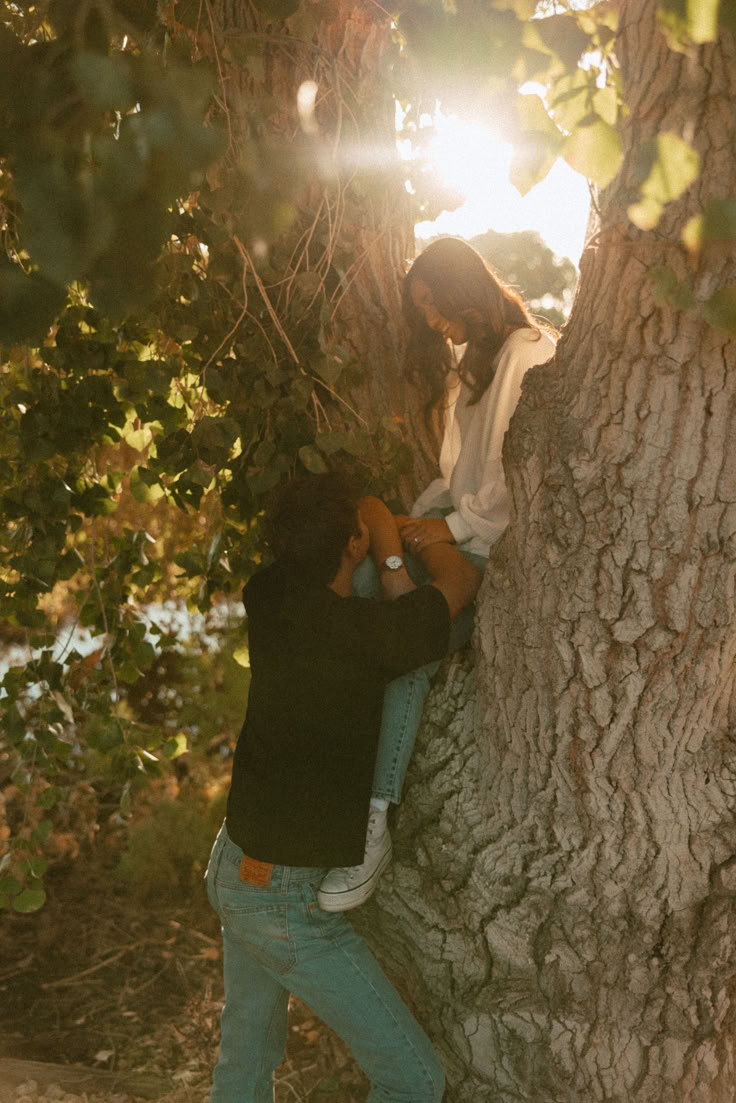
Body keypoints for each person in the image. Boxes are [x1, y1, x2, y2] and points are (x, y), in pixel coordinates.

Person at [205, 472, 481, 1103]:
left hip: (234, 868)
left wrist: (371, 534)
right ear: (351, 546)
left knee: (245, 1059)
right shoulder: (370, 639)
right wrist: (391, 545)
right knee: (413, 1081)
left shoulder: (267, 592)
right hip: (283, 902)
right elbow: (459, 583)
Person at [317, 237, 557, 912]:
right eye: (418, 308)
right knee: (362, 593)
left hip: (491, 551)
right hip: (457, 531)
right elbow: (458, 478)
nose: (428, 320)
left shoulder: (528, 354)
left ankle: (372, 819)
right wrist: (413, 521)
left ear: (462, 288)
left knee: (410, 643)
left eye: (431, 303)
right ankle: (333, 765)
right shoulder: (474, 367)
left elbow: (515, 486)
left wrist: (443, 531)